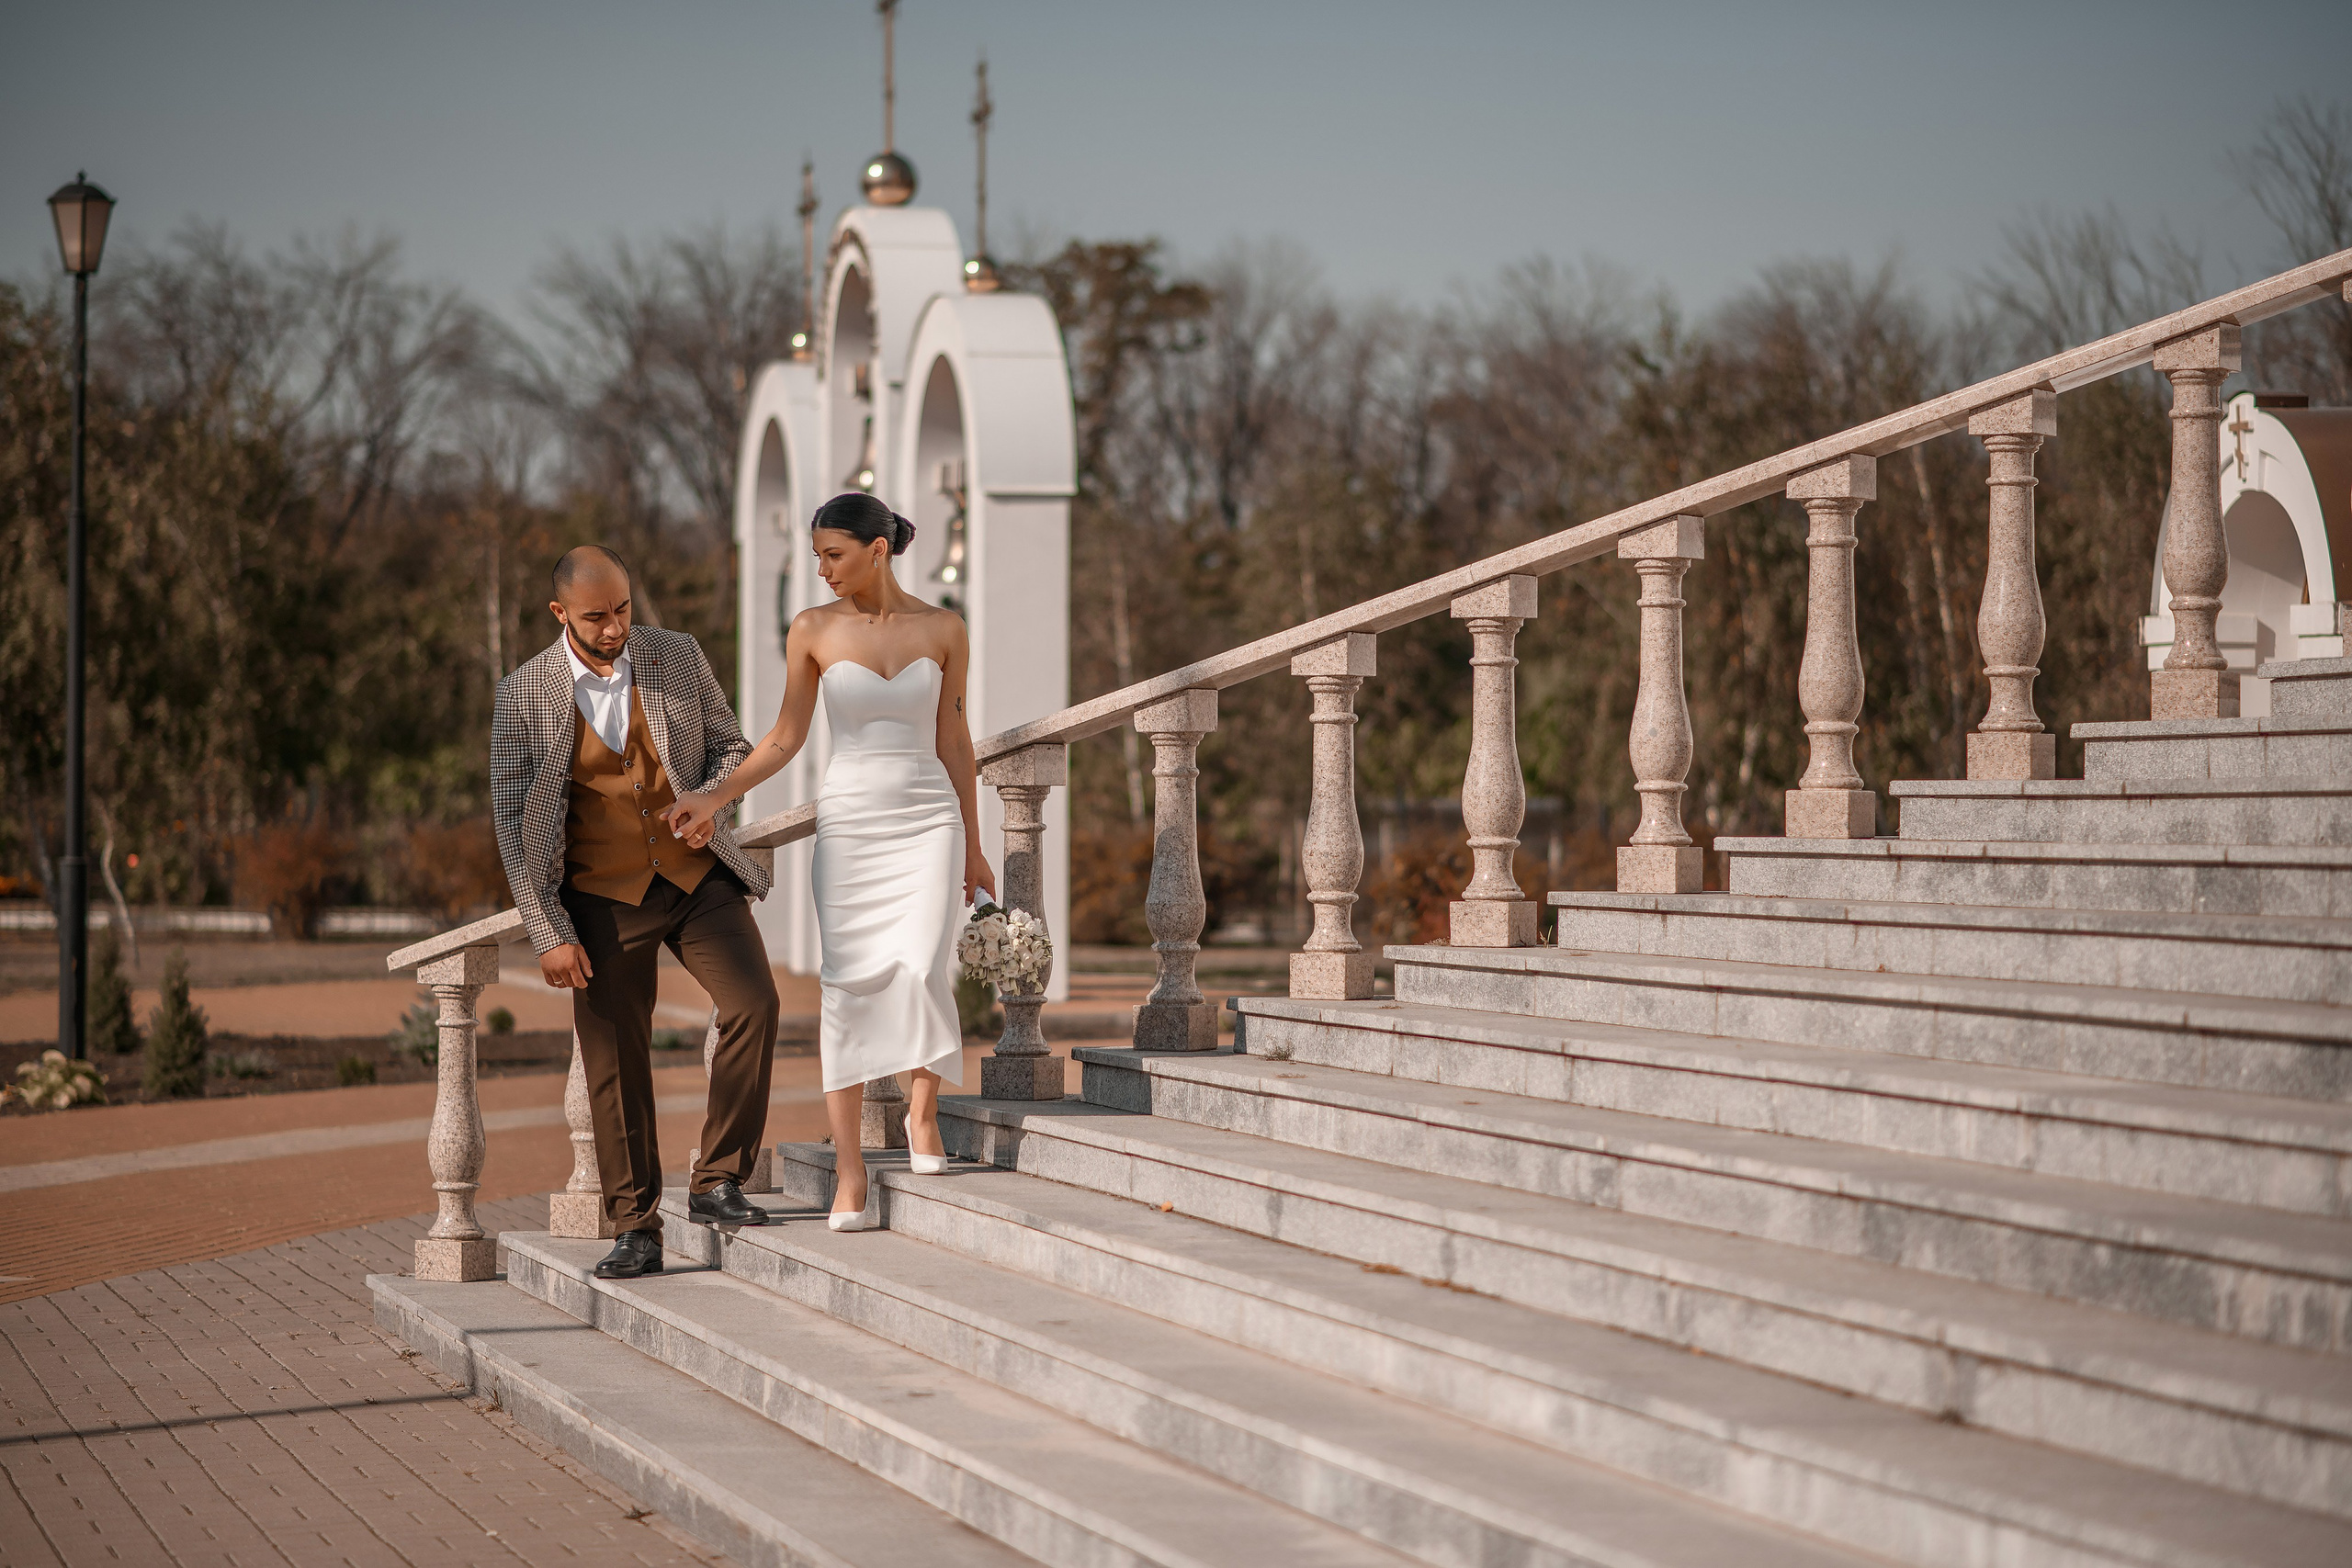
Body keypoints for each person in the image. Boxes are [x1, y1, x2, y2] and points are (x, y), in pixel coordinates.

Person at [666, 492, 991, 1231]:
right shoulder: (811, 629)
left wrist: (973, 843)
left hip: (926, 816)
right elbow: (784, 737)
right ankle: (850, 1171)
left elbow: (955, 740)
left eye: (833, 555)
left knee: (920, 963)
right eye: (816, 556)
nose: (821, 570)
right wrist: (714, 797)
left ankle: (921, 1114)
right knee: (845, 984)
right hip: (849, 825)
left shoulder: (945, 628)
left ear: (877, 551)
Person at [492, 545, 781, 1280]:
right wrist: (548, 930)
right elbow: (511, 823)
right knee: (615, 1060)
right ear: (561, 614)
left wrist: (711, 798)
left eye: (623, 607)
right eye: (598, 615)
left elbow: (731, 747)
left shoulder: (675, 655)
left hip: (695, 877)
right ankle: (637, 1227)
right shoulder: (523, 693)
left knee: (755, 1002)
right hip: (598, 895)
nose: (617, 626)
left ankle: (718, 1179)